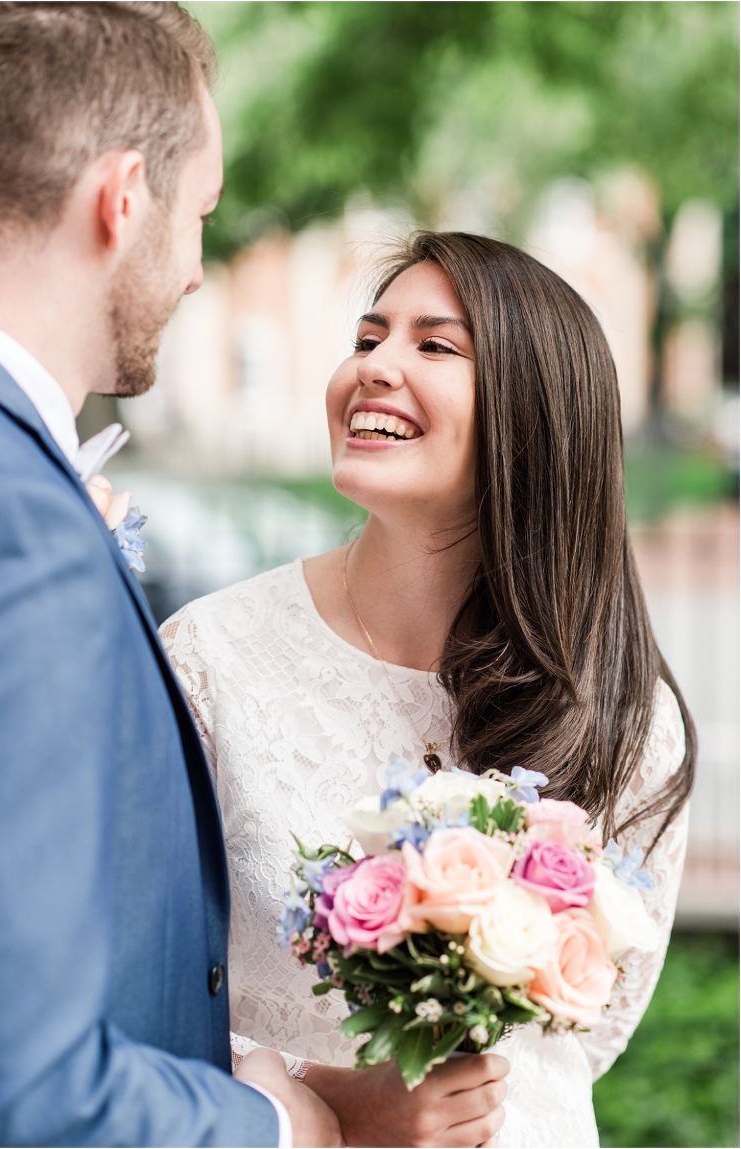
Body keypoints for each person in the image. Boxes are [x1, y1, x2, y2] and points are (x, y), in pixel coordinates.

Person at [162, 231, 696, 1148]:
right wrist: (318, 1101)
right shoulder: (209, 657)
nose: (374, 367)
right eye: (368, 339)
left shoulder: (624, 715)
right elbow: (139, 1003)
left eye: (433, 345)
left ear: (535, 414)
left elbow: (588, 1032)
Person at [0, 4, 342, 1145]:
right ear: (123, 198)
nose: (195, 271)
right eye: (201, 217)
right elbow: (28, 1093)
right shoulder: (17, 520)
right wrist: (280, 1129)